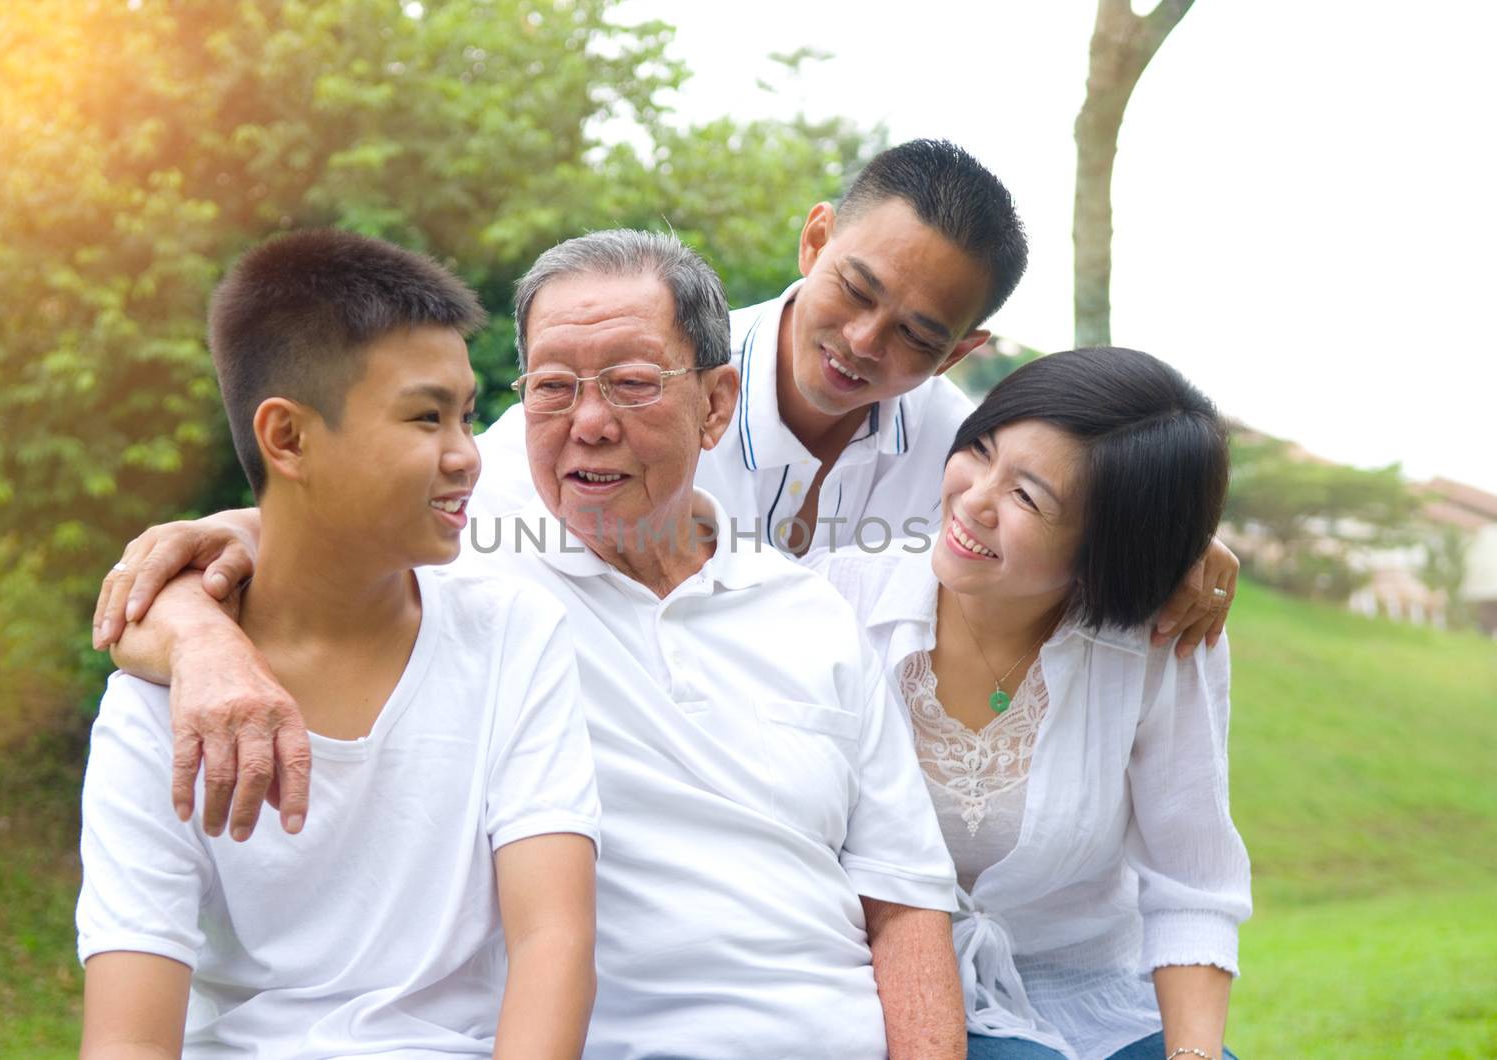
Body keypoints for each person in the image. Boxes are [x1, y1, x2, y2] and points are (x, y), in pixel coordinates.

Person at [102, 230, 968, 1058]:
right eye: (551, 388)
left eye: (631, 384)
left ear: (715, 405)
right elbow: (308, 522)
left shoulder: (813, 616)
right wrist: (198, 636)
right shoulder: (477, 578)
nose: (587, 423)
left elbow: (905, 901)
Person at [77, 230, 602, 1059]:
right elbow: (129, 1039)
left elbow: (554, 944)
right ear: (286, 439)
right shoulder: (153, 704)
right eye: (426, 417)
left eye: (467, 416)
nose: (468, 456)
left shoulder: (511, 634)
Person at [469, 139, 1239, 647]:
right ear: (815, 240)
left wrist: (1177, 541)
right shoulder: (651, 377)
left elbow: (1067, 515)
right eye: (855, 288)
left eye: (917, 335)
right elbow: (480, 492)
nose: (864, 342)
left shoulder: (965, 456)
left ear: (959, 353)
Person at [810, 347, 1252, 1060]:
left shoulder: (1162, 642)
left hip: (1092, 997)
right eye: (979, 452)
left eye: (1026, 497)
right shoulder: (837, 600)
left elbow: (1192, 883)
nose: (974, 500)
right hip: (880, 990)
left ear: (1106, 547)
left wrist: (1193, 1055)